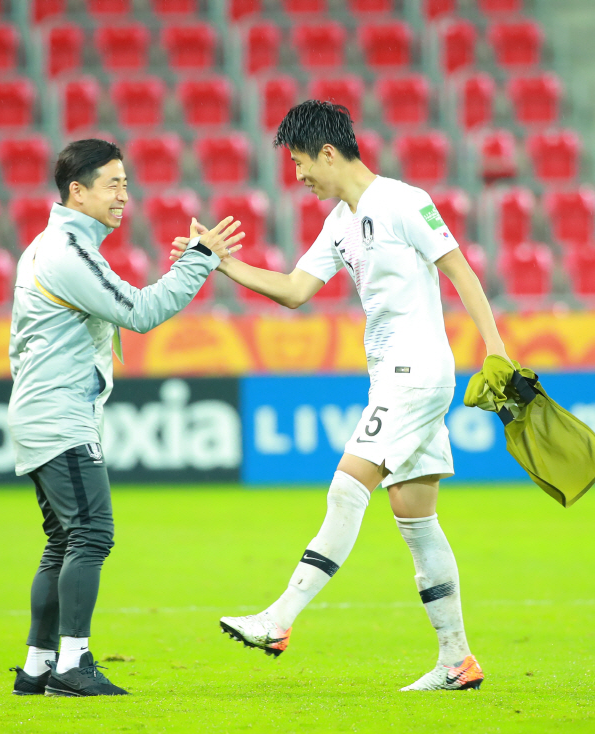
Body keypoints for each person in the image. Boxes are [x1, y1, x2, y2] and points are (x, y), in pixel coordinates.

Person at [172, 101, 510, 691]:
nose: (299, 176)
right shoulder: (339, 221)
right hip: (390, 375)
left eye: (301, 163)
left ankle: (278, 620)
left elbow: (461, 272)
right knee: (415, 516)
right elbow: (296, 290)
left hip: (416, 371)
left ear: (329, 152)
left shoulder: (405, 202)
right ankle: (457, 661)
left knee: (347, 485)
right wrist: (224, 265)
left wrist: (496, 347)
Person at [8, 138, 243, 697]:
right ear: (77, 191)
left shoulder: (48, 246)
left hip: (43, 410)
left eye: (126, 183)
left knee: (63, 541)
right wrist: (201, 260)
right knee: (92, 533)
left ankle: (40, 667)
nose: (124, 196)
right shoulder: (67, 252)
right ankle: (73, 664)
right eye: (113, 184)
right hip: (58, 415)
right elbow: (140, 312)